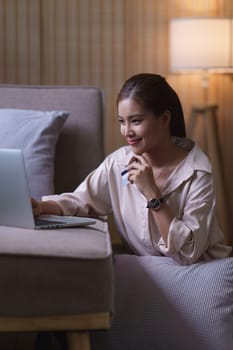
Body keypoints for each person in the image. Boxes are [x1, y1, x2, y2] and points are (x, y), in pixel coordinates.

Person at [32, 73, 231, 265]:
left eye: (136, 121)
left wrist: (152, 193)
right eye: (122, 121)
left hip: (202, 275)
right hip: (151, 274)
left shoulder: (198, 173)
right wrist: (40, 208)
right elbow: (82, 201)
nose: (127, 131)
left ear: (164, 119)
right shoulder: (119, 164)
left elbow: (188, 253)